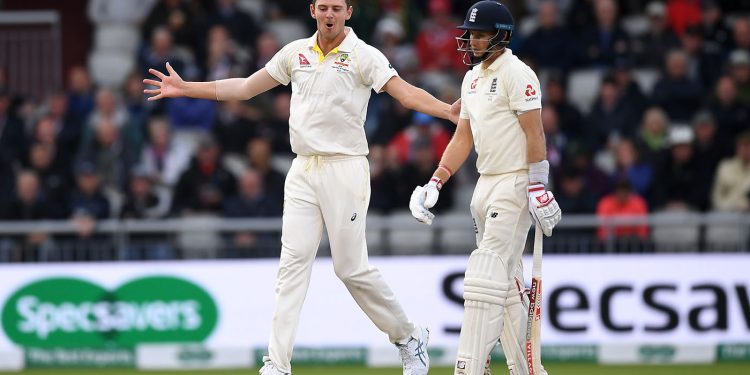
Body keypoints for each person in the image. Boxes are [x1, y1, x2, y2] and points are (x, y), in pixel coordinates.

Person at [144, 1, 460, 374]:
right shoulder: (296, 53)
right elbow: (246, 88)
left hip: (345, 168)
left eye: (336, 8)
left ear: (348, 12)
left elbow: (404, 93)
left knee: (350, 269)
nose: (330, 14)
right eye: (323, 7)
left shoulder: (363, 55)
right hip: (302, 169)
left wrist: (447, 111)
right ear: (312, 10)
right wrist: (186, 88)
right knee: (291, 266)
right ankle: (277, 364)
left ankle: (409, 338)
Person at [408, 2, 562, 375]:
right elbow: (463, 137)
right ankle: (529, 370)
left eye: (479, 34)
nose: (472, 40)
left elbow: (534, 132)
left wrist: (538, 184)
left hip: (514, 182)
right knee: (506, 287)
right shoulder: (471, 79)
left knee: (484, 277)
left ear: (501, 35)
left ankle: (468, 368)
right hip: (484, 184)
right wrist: (436, 180)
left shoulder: (517, 73)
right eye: (471, 33)